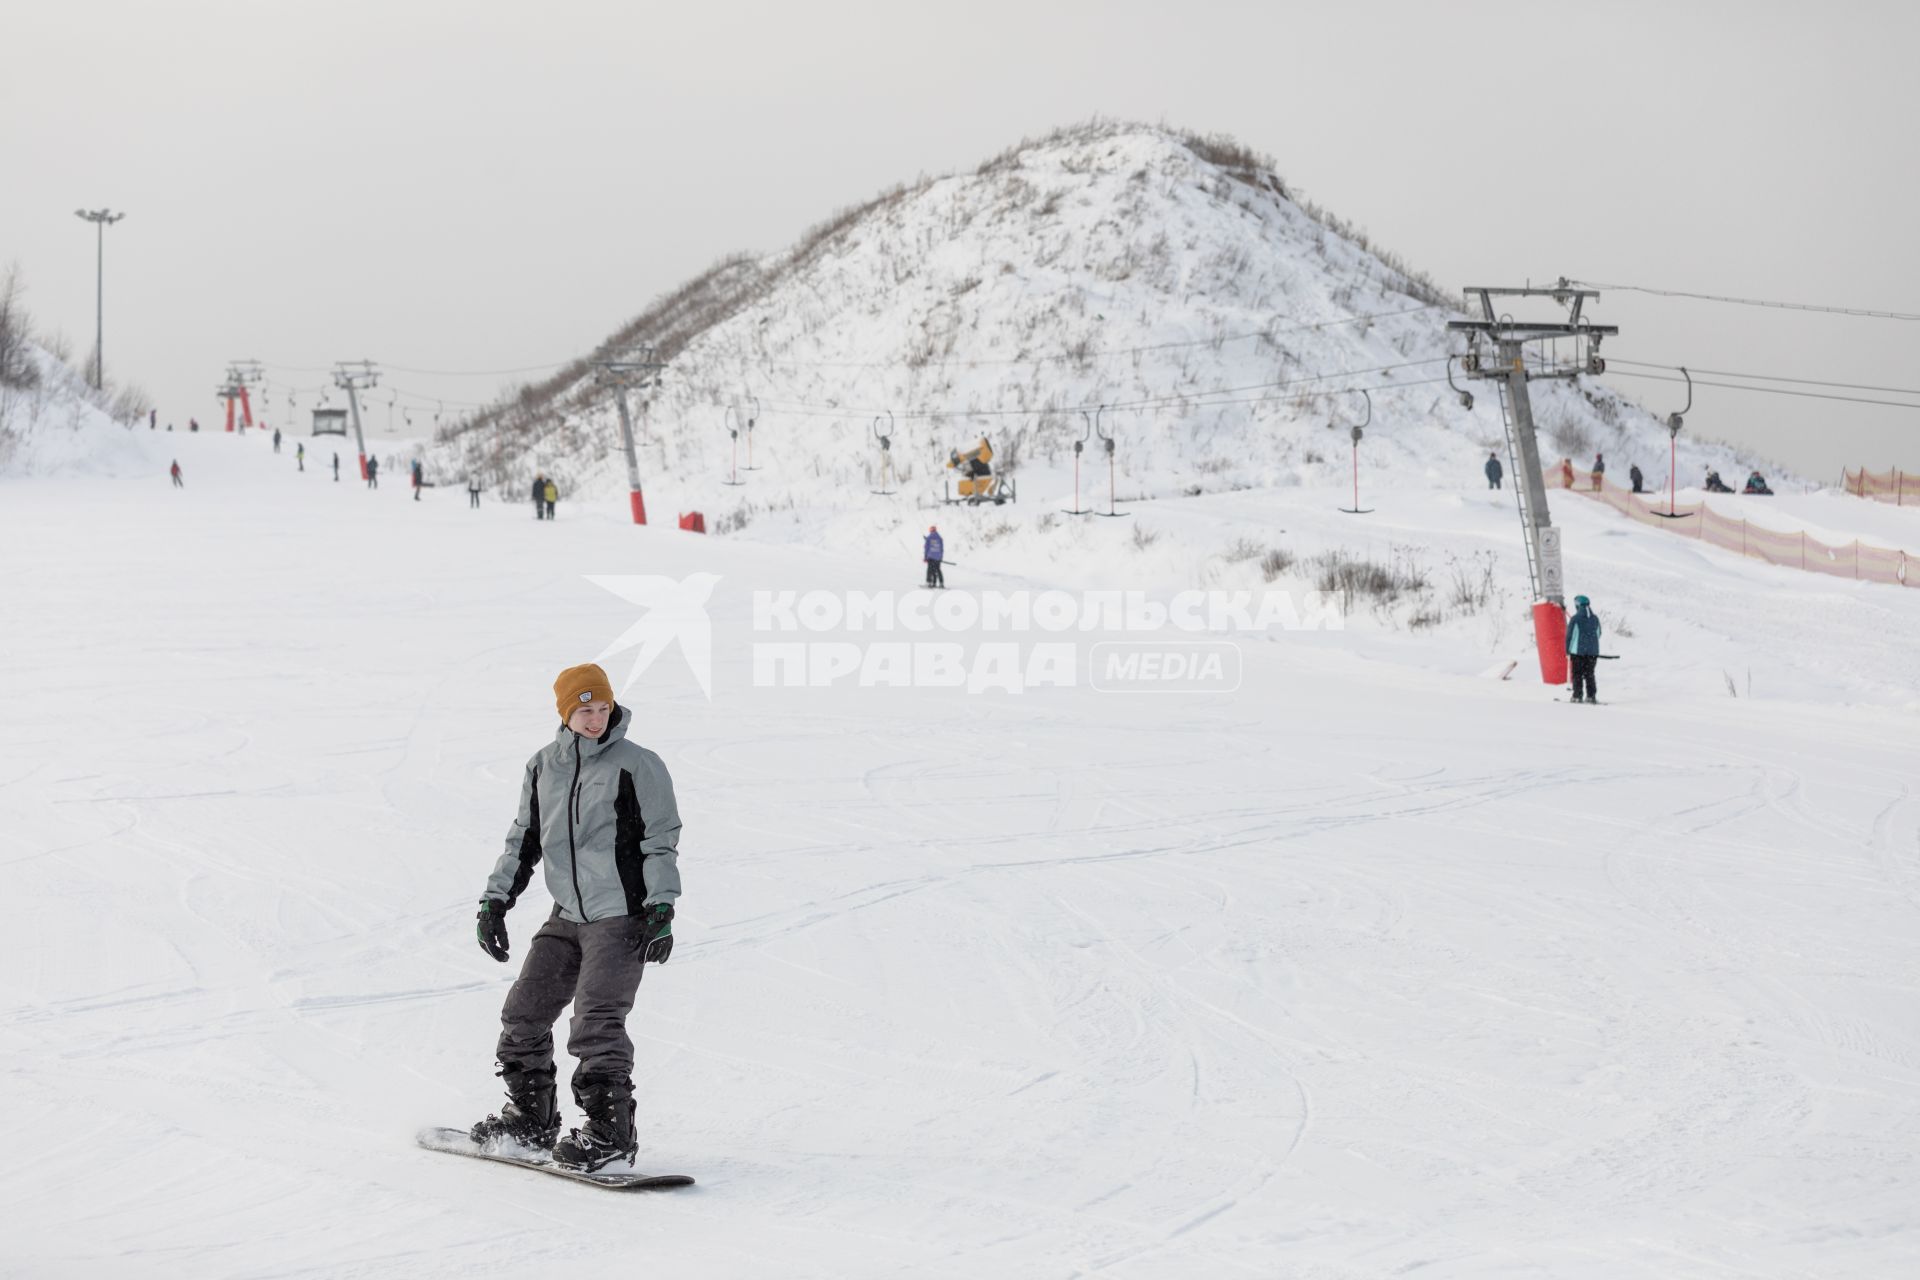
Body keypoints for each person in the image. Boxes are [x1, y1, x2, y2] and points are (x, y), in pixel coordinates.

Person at [470, 663, 683, 1172]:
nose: (594, 720)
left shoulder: (638, 765)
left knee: (596, 1023)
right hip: (566, 915)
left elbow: (660, 840)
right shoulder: (544, 766)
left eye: (602, 708)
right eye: (584, 710)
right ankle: (531, 1119)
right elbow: (524, 838)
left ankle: (611, 1134)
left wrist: (661, 906)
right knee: (524, 1013)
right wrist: (495, 901)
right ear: (565, 713)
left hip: (621, 916)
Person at [1565, 594, 1602, 704]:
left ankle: (1577, 696)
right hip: (1593, 652)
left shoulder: (1575, 619)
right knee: (1589, 674)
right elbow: (1598, 633)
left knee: (1577, 674)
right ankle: (1591, 696)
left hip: (1578, 652)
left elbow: (1569, 637)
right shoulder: (1595, 618)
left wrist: (1568, 650)